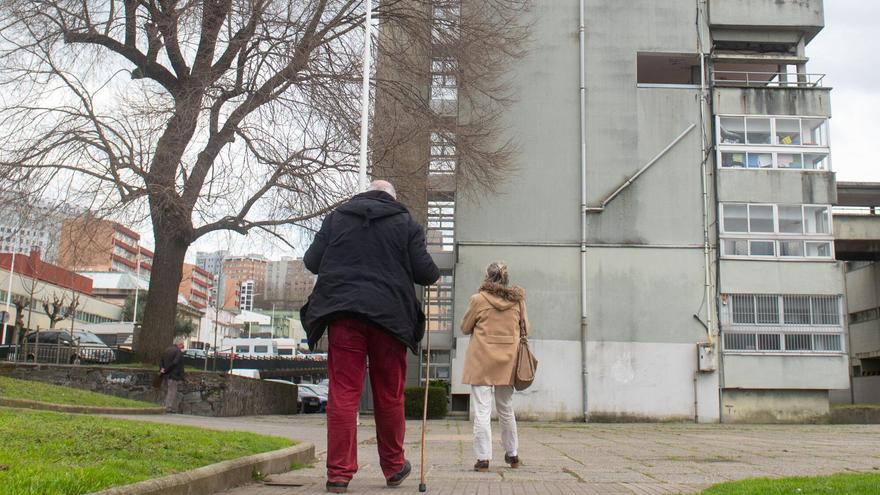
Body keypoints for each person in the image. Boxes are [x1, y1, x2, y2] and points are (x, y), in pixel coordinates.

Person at [302, 180, 440, 493]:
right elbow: (427, 273)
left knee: (343, 393)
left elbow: (312, 262)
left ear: (364, 195)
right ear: (393, 198)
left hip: (344, 314)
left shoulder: (337, 218)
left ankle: (338, 473)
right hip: (389, 319)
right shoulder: (405, 223)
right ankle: (393, 467)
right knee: (389, 393)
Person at [460, 262, 526, 472]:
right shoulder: (518, 302)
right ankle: (513, 454)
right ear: (506, 278)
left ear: (487, 277)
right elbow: (526, 328)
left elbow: (464, 327)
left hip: (481, 360)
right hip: (508, 361)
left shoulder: (478, 300)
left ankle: (482, 459)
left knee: (482, 410)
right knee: (506, 408)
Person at [159, 337, 186, 413]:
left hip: (166, 375)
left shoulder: (167, 350)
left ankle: (166, 406)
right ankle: (168, 407)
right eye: (182, 344)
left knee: (169, 391)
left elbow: (161, 361)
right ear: (179, 344)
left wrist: (162, 369)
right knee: (172, 391)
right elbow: (175, 362)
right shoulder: (178, 351)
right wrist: (167, 370)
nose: (183, 346)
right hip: (173, 375)